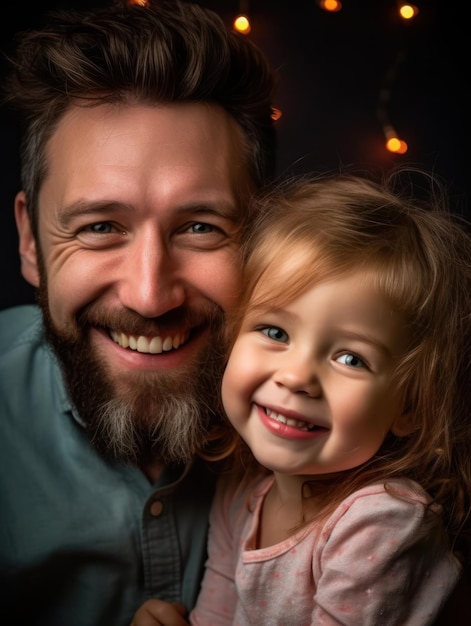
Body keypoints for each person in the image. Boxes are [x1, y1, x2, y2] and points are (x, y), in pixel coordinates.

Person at [0, 0, 278, 624]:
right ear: (29, 242)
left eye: (202, 227)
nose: (151, 297)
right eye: (100, 227)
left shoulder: (342, 414)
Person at [132, 170, 471, 625]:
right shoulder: (242, 492)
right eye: (275, 332)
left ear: (409, 406)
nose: (296, 377)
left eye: (351, 358)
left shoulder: (382, 523)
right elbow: (218, 611)